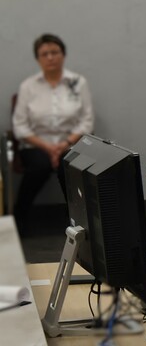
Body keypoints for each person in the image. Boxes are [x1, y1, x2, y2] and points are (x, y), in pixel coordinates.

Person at [12, 33, 94, 234]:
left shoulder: (77, 83)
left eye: (55, 52)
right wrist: (49, 148)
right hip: (36, 145)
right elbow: (20, 126)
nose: (50, 57)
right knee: (40, 165)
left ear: (63, 55)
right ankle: (19, 216)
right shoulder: (28, 86)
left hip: (71, 144)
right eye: (44, 54)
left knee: (68, 164)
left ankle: (78, 221)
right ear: (38, 58)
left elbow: (87, 121)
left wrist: (64, 144)